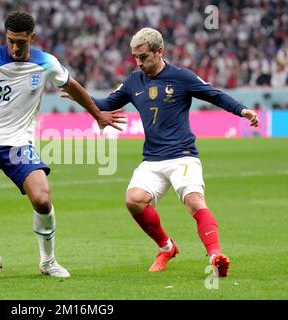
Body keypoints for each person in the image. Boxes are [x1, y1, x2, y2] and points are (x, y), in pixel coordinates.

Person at [0, 11, 123, 280]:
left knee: (42, 199)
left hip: (20, 144)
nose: (14, 47)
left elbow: (72, 86)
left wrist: (97, 115)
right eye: (10, 40)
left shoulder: (46, 63)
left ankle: (48, 261)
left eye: (20, 42)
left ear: (31, 38)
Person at [63, 28, 259, 277]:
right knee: (133, 200)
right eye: (135, 57)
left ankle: (215, 256)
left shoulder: (181, 77)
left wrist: (243, 111)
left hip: (183, 155)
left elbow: (215, 95)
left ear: (159, 52)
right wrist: (77, 93)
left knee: (195, 201)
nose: (139, 62)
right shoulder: (134, 80)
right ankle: (167, 247)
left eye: (143, 57)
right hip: (152, 159)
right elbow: (104, 104)